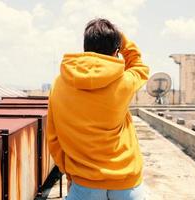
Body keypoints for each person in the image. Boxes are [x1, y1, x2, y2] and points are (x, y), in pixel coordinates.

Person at [46, 18, 149, 200]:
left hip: (84, 184)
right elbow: (138, 65)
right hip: (127, 184)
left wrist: (69, 174)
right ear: (116, 51)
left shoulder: (59, 84)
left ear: (86, 48)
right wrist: (122, 39)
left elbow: (54, 138)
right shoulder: (124, 82)